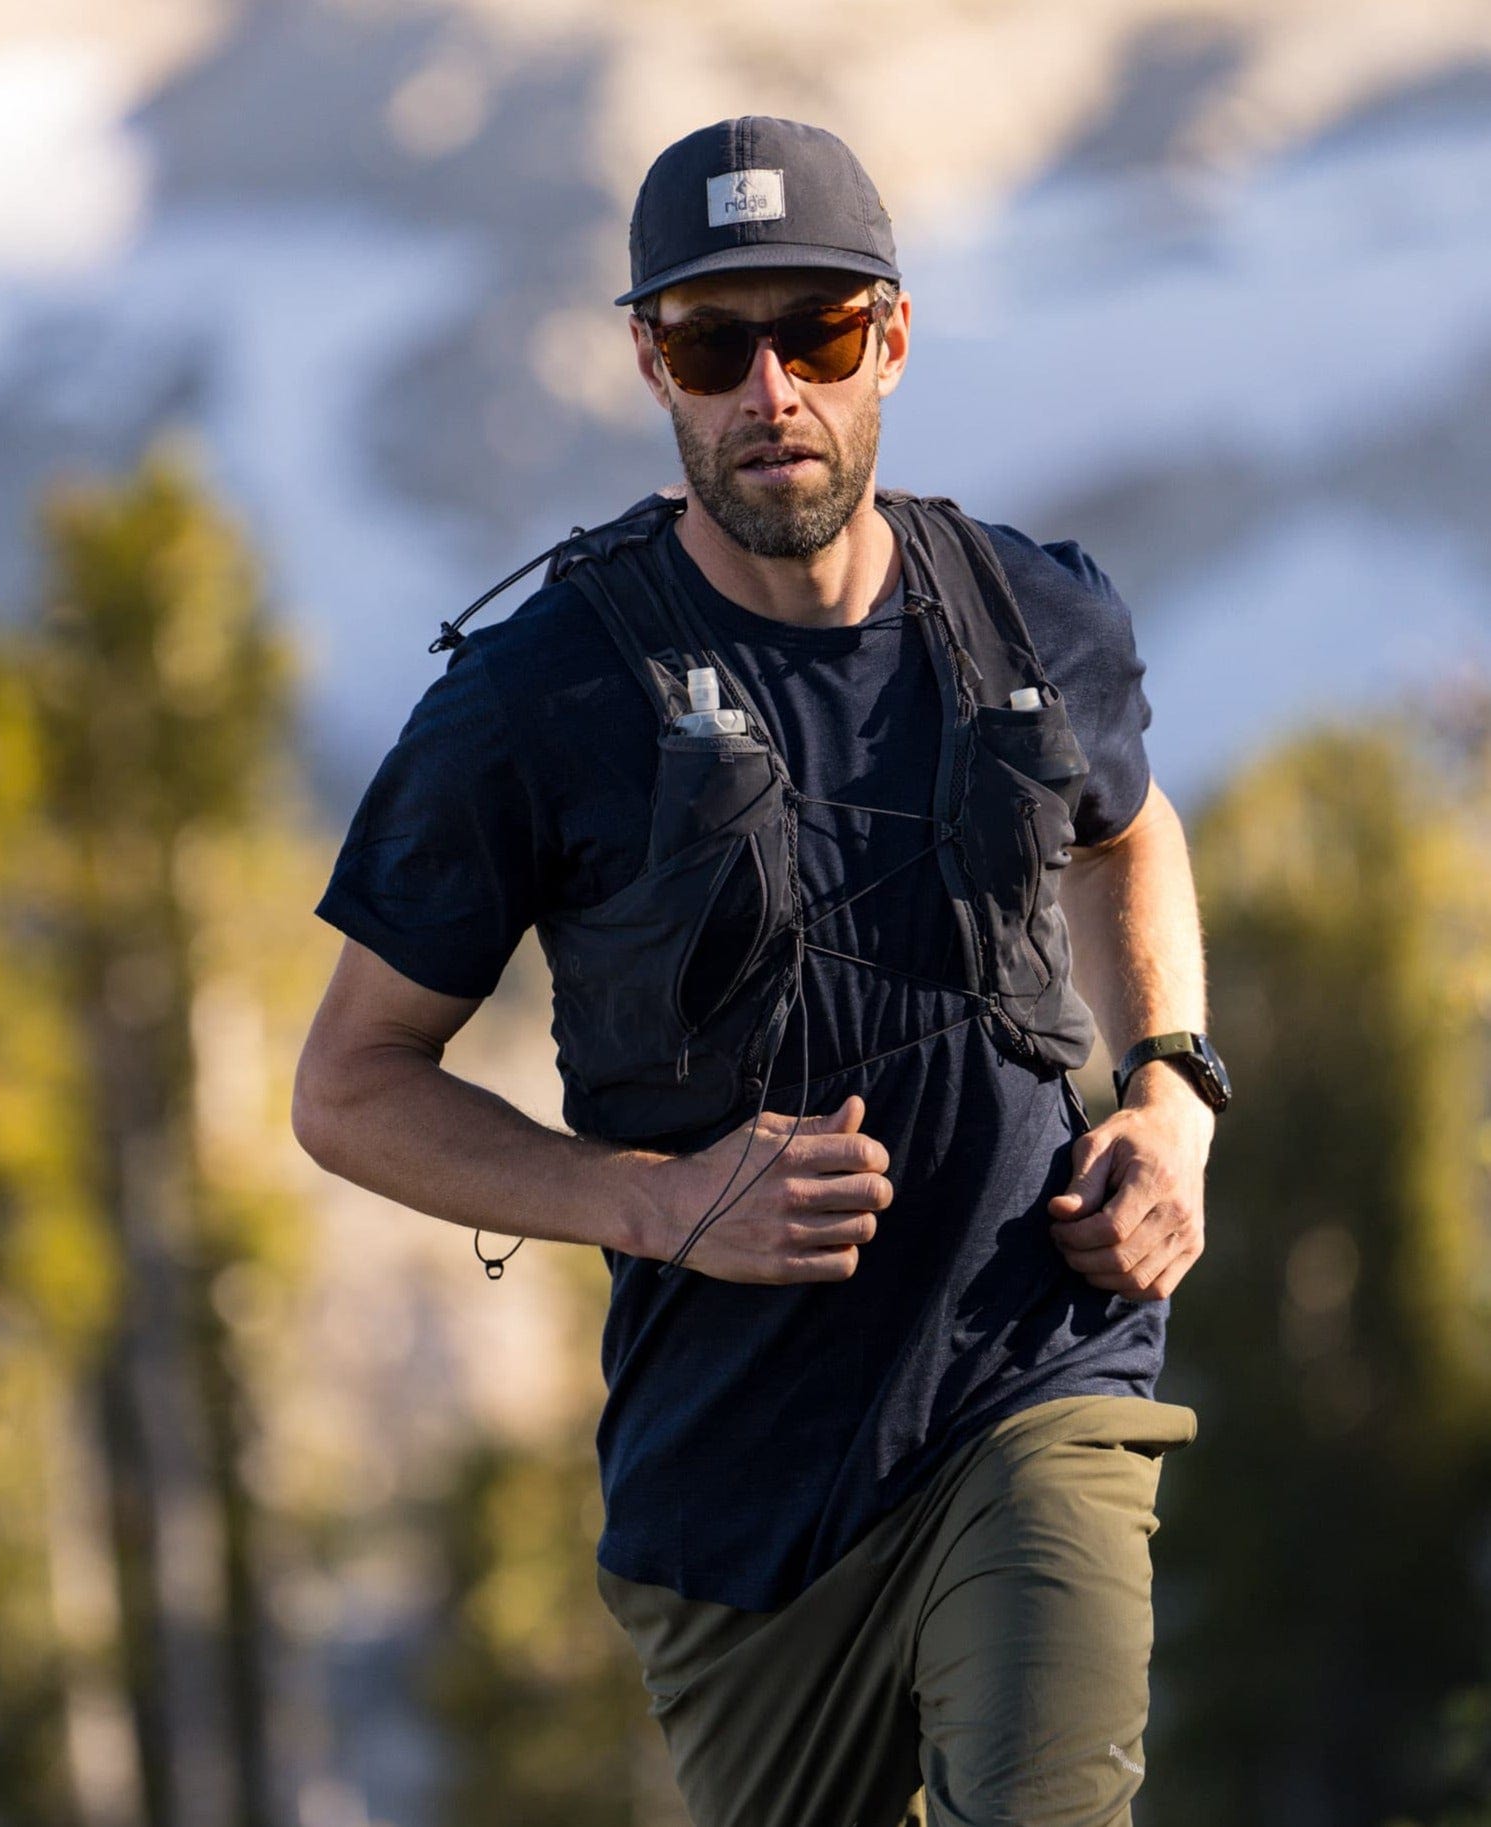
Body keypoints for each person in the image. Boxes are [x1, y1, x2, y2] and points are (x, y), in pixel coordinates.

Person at [293, 114, 1227, 1827]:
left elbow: (1127, 828)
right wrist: (650, 1203)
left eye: (818, 336)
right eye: (718, 345)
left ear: (894, 338)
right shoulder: (532, 703)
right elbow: (349, 1089)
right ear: (650, 361)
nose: (771, 393)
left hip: (1035, 1382)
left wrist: (1174, 1095)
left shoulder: (1034, 613)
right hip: (738, 1508)